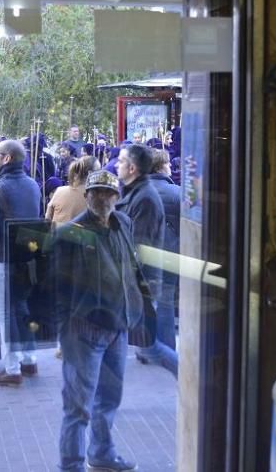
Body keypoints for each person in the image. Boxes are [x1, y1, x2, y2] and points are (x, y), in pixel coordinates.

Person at [52, 170, 146, 472]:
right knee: (78, 406)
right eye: (96, 193)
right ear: (86, 196)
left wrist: (141, 307)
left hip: (118, 328)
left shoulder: (124, 224)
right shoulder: (69, 233)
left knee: (109, 398)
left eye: (108, 192)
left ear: (116, 196)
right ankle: (71, 465)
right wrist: (63, 334)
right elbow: (56, 289)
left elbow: (131, 267)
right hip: (83, 332)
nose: (102, 198)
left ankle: (102, 453)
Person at [0, 139, 42, 386]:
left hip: (0, 257)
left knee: (5, 313)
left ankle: (12, 368)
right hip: (26, 259)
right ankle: (29, 360)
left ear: (6, 159)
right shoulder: (33, 185)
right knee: (23, 308)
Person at [115, 144, 175, 377]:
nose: (116, 165)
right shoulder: (133, 193)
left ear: (132, 168)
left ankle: (189, 376)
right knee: (140, 344)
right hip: (133, 281)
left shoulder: (145, 198)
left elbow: (137, 247)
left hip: (140, 283)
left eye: (120, 161)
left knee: (149, 346)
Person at [143, 149, 181, 373]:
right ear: (161, 166)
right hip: (169, 253)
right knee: (165, 301)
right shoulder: (176, 192)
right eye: (167, 163)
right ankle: (166, 349)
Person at [46, 156, 97, 226]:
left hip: (57, 235)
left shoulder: (59, 191)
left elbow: (48, 218)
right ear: (90, 173)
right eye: (99, 170)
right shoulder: (95, 198)